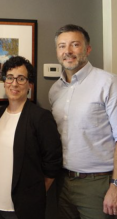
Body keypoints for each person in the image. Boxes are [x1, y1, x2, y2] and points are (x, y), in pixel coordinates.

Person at [49, 24, 117, 219]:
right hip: (63, 183)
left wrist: (115, 186)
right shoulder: (55, 90)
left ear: (87, 49)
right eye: (62, 46)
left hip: (98, 185)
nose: (68, 51)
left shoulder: (108, 83)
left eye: (75, 45)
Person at [0, 56, 62, 219]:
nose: (14, 84)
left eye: (21, 79)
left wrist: (35, 194)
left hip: (23, 209)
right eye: (10, 78)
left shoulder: (40, 117)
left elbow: (53, 162)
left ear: (30, 85)